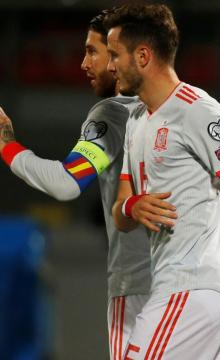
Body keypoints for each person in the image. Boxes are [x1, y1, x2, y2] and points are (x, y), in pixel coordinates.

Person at [105, 4, 220, 359]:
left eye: (115, 54)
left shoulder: (197, 110)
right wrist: (133, 206)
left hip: (194, 285)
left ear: (143, 56)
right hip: (183, 286)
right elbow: (121, 211)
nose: (109, 65)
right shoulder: (136, 121)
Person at [0, 11, 151, 360]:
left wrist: (7, 146)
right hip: (200, 291)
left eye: (94, 52)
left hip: (139, 289)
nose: (84, 63)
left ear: (118, 57)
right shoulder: (192, 109)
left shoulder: (112, 115)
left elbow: (67, 183)